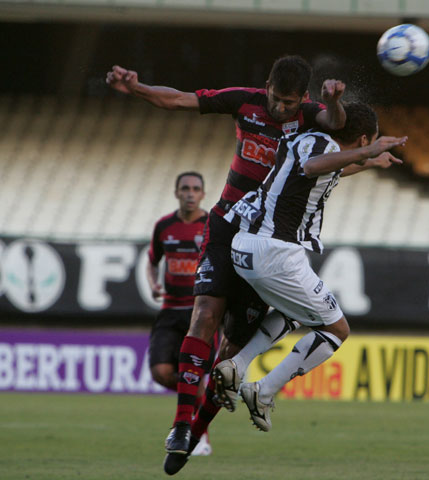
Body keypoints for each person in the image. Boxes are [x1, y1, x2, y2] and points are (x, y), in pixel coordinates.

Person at [106, 55, 346, 475]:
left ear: (303, 98)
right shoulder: (244, 101)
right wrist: (139, 89)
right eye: (276, 98)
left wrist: (336, 104)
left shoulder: (311, 117)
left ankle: (198, 431)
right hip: (225, 225)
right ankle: (181, 427)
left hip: (267, 240)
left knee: (231, 355)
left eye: (291, 103)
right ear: (266, 85)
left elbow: (339, 126)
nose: (282, 109)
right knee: (204, 315)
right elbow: (180, 100)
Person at [216, 102, 406, 432]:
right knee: (336, 330)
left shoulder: (305, 138)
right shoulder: (323, 148)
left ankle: (238, 364)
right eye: (368, 143)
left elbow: (324, 169)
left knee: (295, 313)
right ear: (362, 139)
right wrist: (372, 151)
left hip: (245, 246)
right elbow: (316, 164)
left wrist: (369, 161)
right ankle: (263, 390)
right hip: (276, 253)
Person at [146, 171, 212, 456]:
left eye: (195, 189)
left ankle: (200, 438)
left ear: (202, 194)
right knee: (161, 373)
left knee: (192, 374)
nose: (189, 193)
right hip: (170, 310)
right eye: (184, 188)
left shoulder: (212, 224)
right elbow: (151, 261)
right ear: (176, 192)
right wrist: (153, 284)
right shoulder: (164, 226)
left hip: (201, 312)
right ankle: (199, 396)